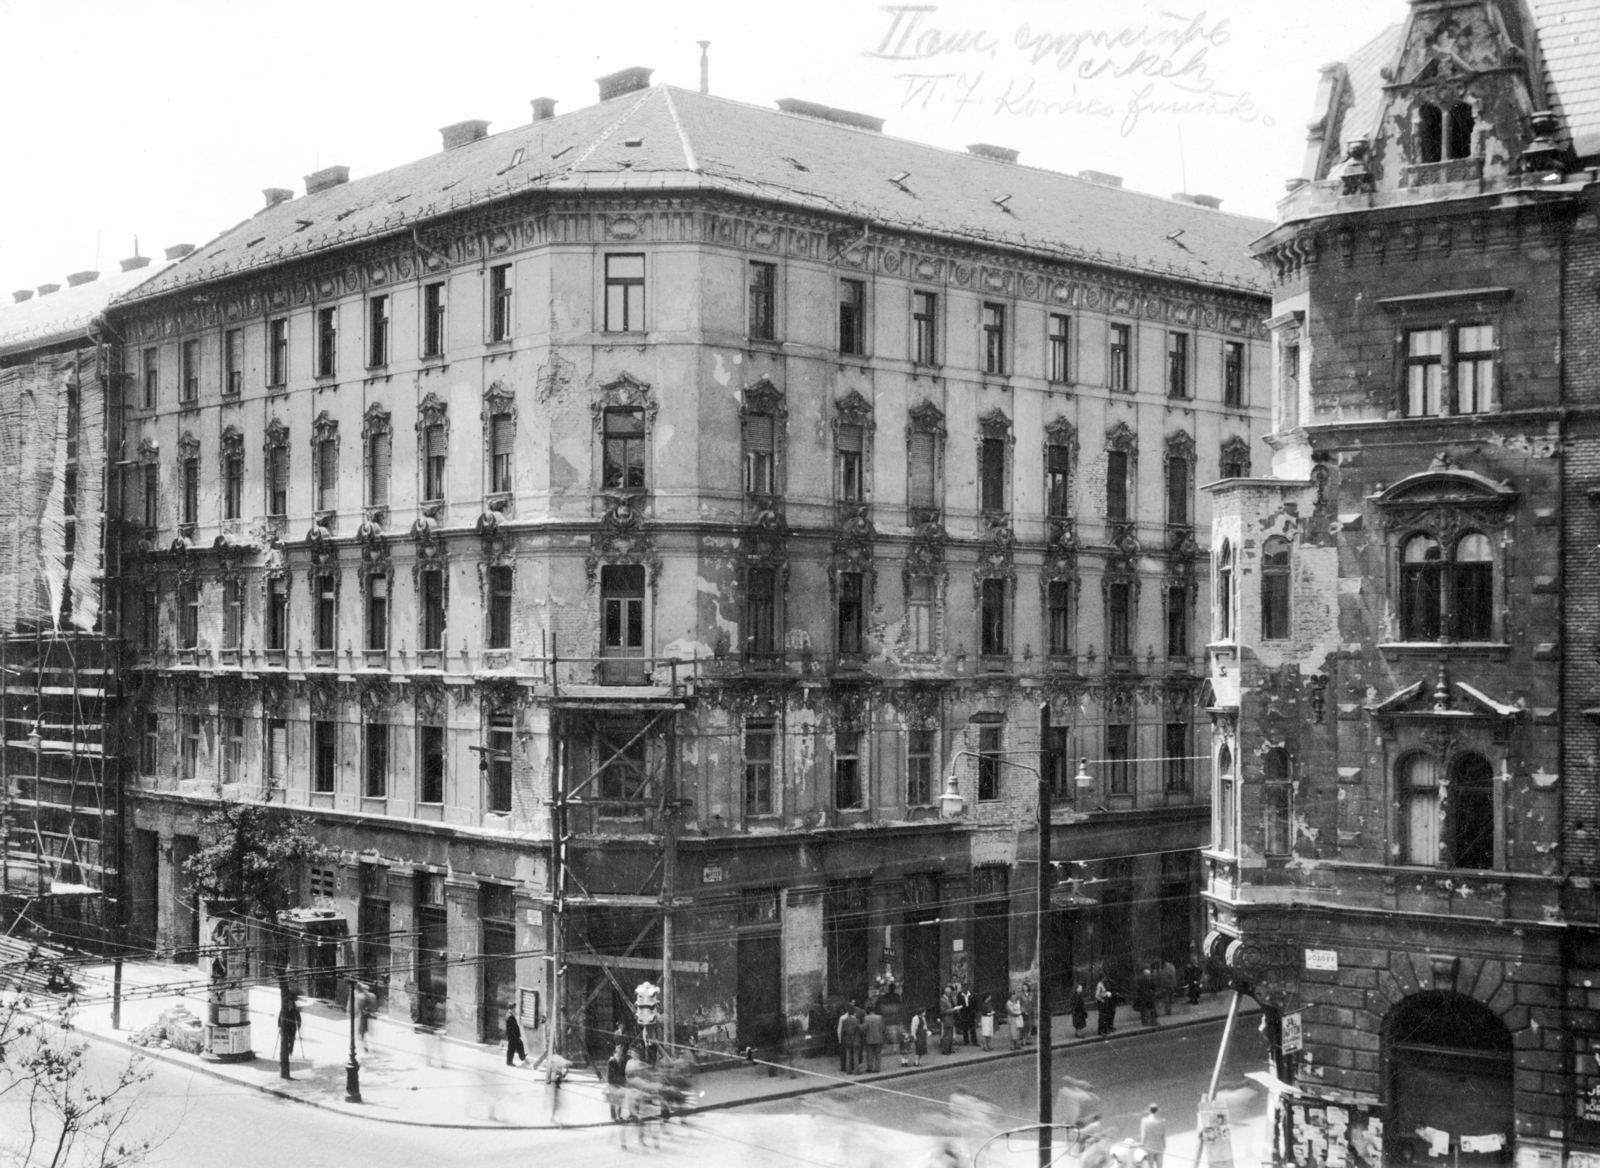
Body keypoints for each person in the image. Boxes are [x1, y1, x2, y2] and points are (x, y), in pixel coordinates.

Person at [606, 1044, 631, 1134]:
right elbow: (609, 1074)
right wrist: (610, 1084)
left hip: (620, 1083)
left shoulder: (623, 1060)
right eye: (618, 1050)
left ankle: (619, 1116)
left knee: (620, 1099)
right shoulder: (611, 1061)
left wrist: (624, 1082)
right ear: (616, 1051)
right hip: (613, 1083)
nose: (620, 1052)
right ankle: (613, 1117)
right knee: (613, 1100)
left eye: (621, 1050)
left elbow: (623, 1073)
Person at [276, 990, 300, 1080]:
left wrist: (299, 1025)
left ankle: (291, 1049)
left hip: (292, 1027)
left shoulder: (294, 1009)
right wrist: (279, 1025)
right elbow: (280, 1016)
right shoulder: (284, 1009)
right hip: (285, 1026)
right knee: (286, 1039)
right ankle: (287, 1050)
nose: (290, 1004)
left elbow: (298, 1017)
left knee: (292, 1039)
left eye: (291, 1003)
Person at [1140, 1103, 1169, 1168]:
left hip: (1149, 1147)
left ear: (1149, 1110)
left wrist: (1142, 1146)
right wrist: (1164, 1145)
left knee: (1150, 1166)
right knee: (1160, 1166)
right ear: (1157, 1110)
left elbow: (1143, 1135)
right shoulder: (1162, 1121)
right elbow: (1163, 1136)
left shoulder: (1145, 1121)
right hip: (1159, 1147)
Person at [862, 1003, 885, 1073]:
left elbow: (864, 1028)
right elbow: (883, 1028)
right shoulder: (880, 1017)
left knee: (869, 1054)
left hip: (869, 1039)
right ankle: (877, 1068)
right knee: (878, 1054)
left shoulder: (866, 1018)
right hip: (878, 1038)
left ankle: (870, 1068)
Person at [841, 1006, 864, 1074]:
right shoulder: (856, 1020)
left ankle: (848, 1070)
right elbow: (860, 1030)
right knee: (855, 1055)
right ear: (854, 1013)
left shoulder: (844, 1021)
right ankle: (856, 1071)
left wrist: (843, 1040)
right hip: (855, 1040)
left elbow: (843, 1032)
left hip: (847, 1040)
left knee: (848, 1056)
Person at [356, 982, 377, 1053]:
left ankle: (365, 1047)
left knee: (362, 1032)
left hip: (362, 1016)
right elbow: (375, 1007)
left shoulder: (359, 996)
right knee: (371, 1031)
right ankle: (371, 1047)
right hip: (370, 1016)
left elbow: (357, 1008)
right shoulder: (373, 996)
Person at [837, 1004, 854, 1073]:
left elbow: (840, 1029)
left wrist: (840, 1039)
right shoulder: (854, 1017)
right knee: (851, 1052)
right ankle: (851, 1066)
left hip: (844, 1038)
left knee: (843, 1053)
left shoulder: (842, 1018)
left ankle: (843, 1067)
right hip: (852, 1038)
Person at [938, 987, 956, 1055]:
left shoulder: (949, 999)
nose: (951, 994)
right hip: (946, 1019)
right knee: (946, 1035)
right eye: (950, 993)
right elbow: (943, 1011)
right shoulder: (942, 1000)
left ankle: (949, 1049)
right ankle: (945, 1050)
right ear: (946, 992)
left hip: (951, 1019)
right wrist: (952, 1010)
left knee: (950, 1035)